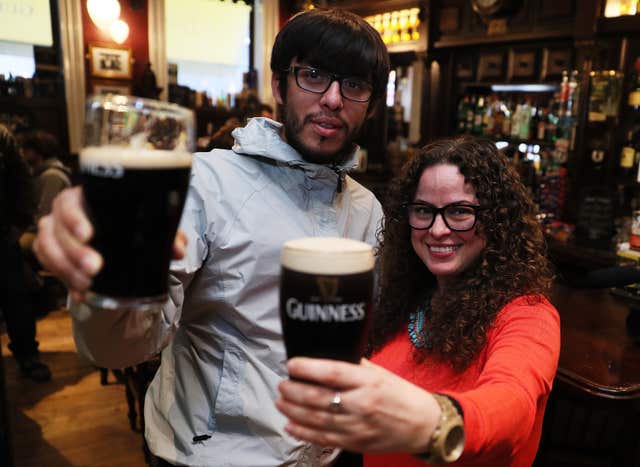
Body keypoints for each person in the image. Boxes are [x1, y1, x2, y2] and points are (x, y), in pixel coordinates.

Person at [33, 8, 389, 466]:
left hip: (324, 454)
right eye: (314, 76)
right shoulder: (205, 182)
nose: (333, 99)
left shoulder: (367, 210)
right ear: (280, 86)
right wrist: (103, 280)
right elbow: (118, 347)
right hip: (208, 454)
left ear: (372, 103)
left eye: (354, 85)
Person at [276, 136, 561, 466]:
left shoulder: (528, 314)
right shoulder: (407, 300)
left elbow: (512, 408)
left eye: (459, 212)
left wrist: (432, 424)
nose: (438, 230)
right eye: (424, 210)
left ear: (496, 219)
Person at [0, 124, 51, 382]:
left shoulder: (2, 136)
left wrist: (19, 224)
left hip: (2, 236)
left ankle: (28, 356)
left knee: (15, 298)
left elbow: (21, 180)